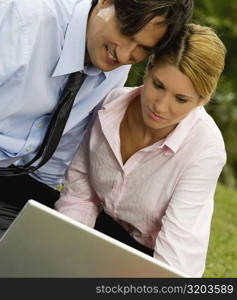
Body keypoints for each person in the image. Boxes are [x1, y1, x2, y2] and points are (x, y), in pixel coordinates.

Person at [0, 0, 193, 263]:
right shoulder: (20, 16)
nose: (125, 53)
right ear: (105, 2)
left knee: (99, 260)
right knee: (12, 261)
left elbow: (51, 166)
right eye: (126, 33)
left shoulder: (114, 68)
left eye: (142, 48)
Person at [55, 23, 227, 277]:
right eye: (158, 85)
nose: (161, 106)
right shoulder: (109, 107)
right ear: (149, 69)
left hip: (150, 259)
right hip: (100, 236)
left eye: (181, 99)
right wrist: (63, 253)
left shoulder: (205, 149)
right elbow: (79, 197)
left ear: (202, 100)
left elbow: (176, 254)